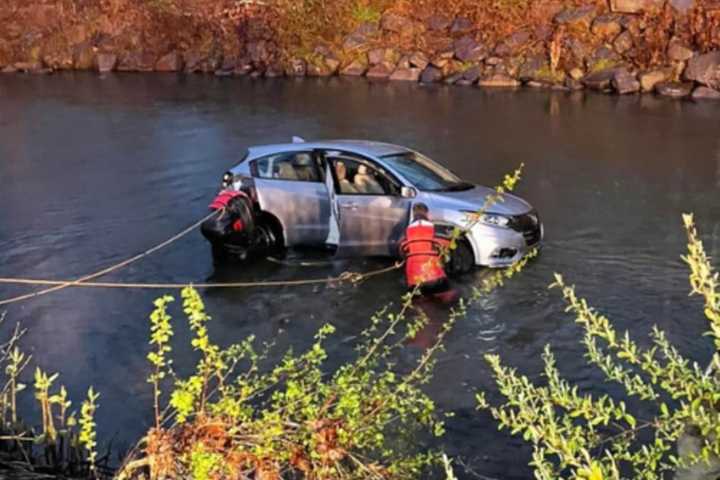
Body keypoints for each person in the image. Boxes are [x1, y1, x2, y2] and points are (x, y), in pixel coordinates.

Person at [399, 203, 451, 296]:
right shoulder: (434, 227)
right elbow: (445, 245)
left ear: (413, 214)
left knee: (417, 305)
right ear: (427, 213)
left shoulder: (406, 231)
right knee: (448, 298)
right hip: (435, 275)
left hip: (414, 278)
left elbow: (401, 250)